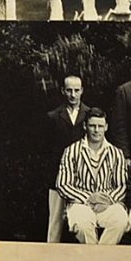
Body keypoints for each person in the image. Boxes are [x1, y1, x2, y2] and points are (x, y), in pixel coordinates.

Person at [55, 109, 129, 245]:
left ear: (106, 127)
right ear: (85, 126)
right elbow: (63, 184)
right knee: (83, 226)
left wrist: (106, 199)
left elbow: (122, 185)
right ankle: (95, 258)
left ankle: (100, 257)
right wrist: (88, 199)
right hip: (80, 203)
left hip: (108, 204)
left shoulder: (116, 153)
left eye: (100, 126)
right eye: (92, 126)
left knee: (121, 221)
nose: (96, 130)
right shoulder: (71, 151)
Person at [45, 75, 92, 244]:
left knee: (84, 222)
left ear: (82, 91)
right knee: (55, 222)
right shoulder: (53, 116)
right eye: (69, 90)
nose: (73, 94)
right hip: (58, 177)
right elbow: (47, 149)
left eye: (76, 90)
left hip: (84, 178)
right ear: (63, 91)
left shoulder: (90, 115)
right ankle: (50, 258)